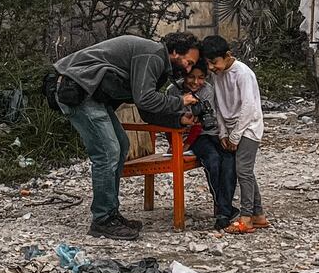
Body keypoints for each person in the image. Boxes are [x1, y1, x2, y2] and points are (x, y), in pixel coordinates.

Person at [50, 33, 200, 241]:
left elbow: (145, 109)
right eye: (188, 62)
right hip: (76, 89)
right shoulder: (154, 54)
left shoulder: (159, 64)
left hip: (91, 94)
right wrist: (180, 101)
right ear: (175, 52)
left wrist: (178, 120)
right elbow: (146, 99)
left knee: (121, 144)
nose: (188, 69)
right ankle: (102, 219)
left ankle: (111, 213)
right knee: (107, 152)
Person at [203, 35, 270, 234]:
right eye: (209, 64)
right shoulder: (217, 75)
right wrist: (223, 132)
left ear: (228, 56)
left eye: (214, 62)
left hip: (249, 127)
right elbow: (218, 106)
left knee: (243, 172)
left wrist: (235, 135)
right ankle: (259, 215)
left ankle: (246, 217)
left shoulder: (243, 73)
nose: (212, 67)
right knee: (245, 170)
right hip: (232, 128)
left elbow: (248, 106)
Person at [167, 60, 238, 230]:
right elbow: (168, 120)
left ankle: (223, 209)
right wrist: (181, 145)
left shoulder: (207, 90)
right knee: (212, 160)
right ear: (184, 75)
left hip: (208, 132)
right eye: (191, 77)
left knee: (228, 159)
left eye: (201, 78)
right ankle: (224, 210)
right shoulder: (173, 91)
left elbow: (206, 120)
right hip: (189, 138)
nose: (196, 82)